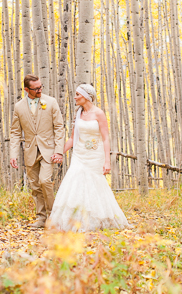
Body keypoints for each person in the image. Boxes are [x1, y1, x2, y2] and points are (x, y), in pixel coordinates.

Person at [47, 84, 129, 232]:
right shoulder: (78, 114)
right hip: (79, 154)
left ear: (86, 96)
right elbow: (72, 138)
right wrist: (60, 152)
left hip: (95, 155)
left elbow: (105, 139)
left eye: (78, 94)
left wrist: (106, 161)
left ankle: (98, 219)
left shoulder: (99, 114)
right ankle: (73, 220)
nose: (75, 97)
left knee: (95, 185)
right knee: (75, 182)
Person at [9, 75, 65, 228]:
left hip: (48, 150)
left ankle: (53, 216)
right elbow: (15, 132)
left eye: (41, 87)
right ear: (27, 90)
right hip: (30, 151)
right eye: (36, 89)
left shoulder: (51, 102)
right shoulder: (19, 107)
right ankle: (41, 218)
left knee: (45, 181)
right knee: (35, 186)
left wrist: (59, 151)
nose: (40, 90)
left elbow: (59, 127)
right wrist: (13, 154)